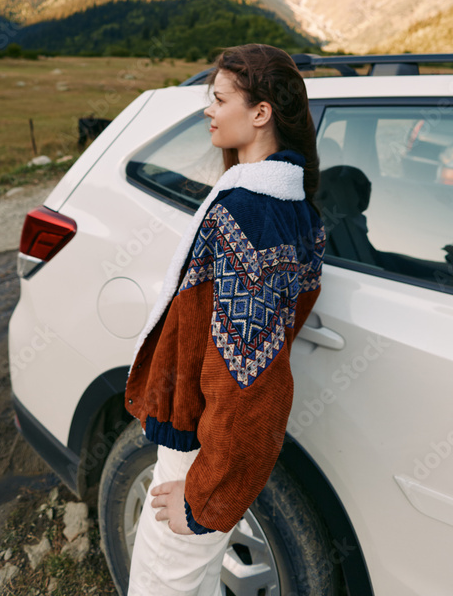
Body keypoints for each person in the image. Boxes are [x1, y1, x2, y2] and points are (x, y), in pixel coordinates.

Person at [124, 43, 326, 595]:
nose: (207, 110)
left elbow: (251, 380)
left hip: (198, 447)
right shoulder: (291, 208)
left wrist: (204, 497)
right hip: (201, 439)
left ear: (260, 113)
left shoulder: (251, 214)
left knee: (162, 587)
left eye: (218, 99)